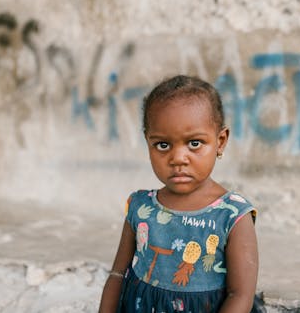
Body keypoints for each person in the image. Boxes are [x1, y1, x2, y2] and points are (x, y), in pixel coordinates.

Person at [99, 75, 259, 313]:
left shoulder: (233, 215)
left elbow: (240, 295)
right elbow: (117, 274)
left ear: (220, 141)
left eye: (194, 143)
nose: (178, 158)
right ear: (148, 142)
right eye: (162, 145)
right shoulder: (140, 206)